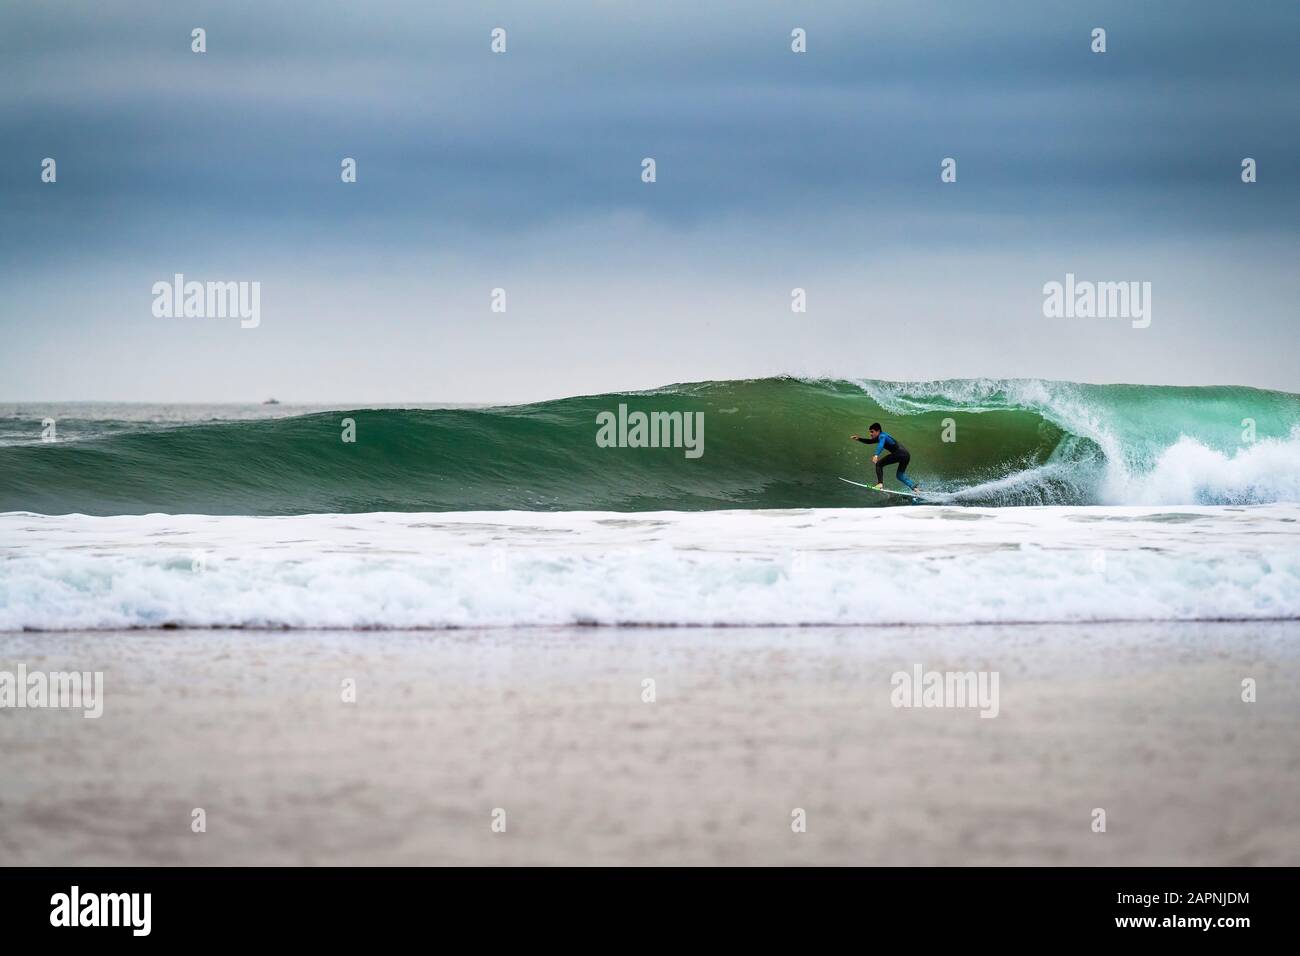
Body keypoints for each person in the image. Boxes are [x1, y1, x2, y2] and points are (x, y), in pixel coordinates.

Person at [850, 423, 920, 492]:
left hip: (899, 454)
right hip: (906, 455)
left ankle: (880, 484)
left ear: (878, 431)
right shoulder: (880, 437)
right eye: (870, 432)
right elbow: (870, 441)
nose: (870, 434)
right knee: (899, 475)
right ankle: (915, 488)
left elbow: (881, 445)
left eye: (872, 432)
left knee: (879, 464)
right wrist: (859, 439)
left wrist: (876, 455)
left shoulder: (882, 436)